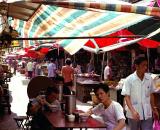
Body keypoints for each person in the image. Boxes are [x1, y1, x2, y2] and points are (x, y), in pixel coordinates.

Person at [121, 56, 159, 130]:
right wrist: (133, 111)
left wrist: (154, 108)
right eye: (143, 65)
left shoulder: (149, 79)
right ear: (136, 66)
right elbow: (127, 97)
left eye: (146, 65)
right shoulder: (129, 80)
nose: (145, 67)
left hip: (147, 113)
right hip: (134, 114)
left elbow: (151, 94)